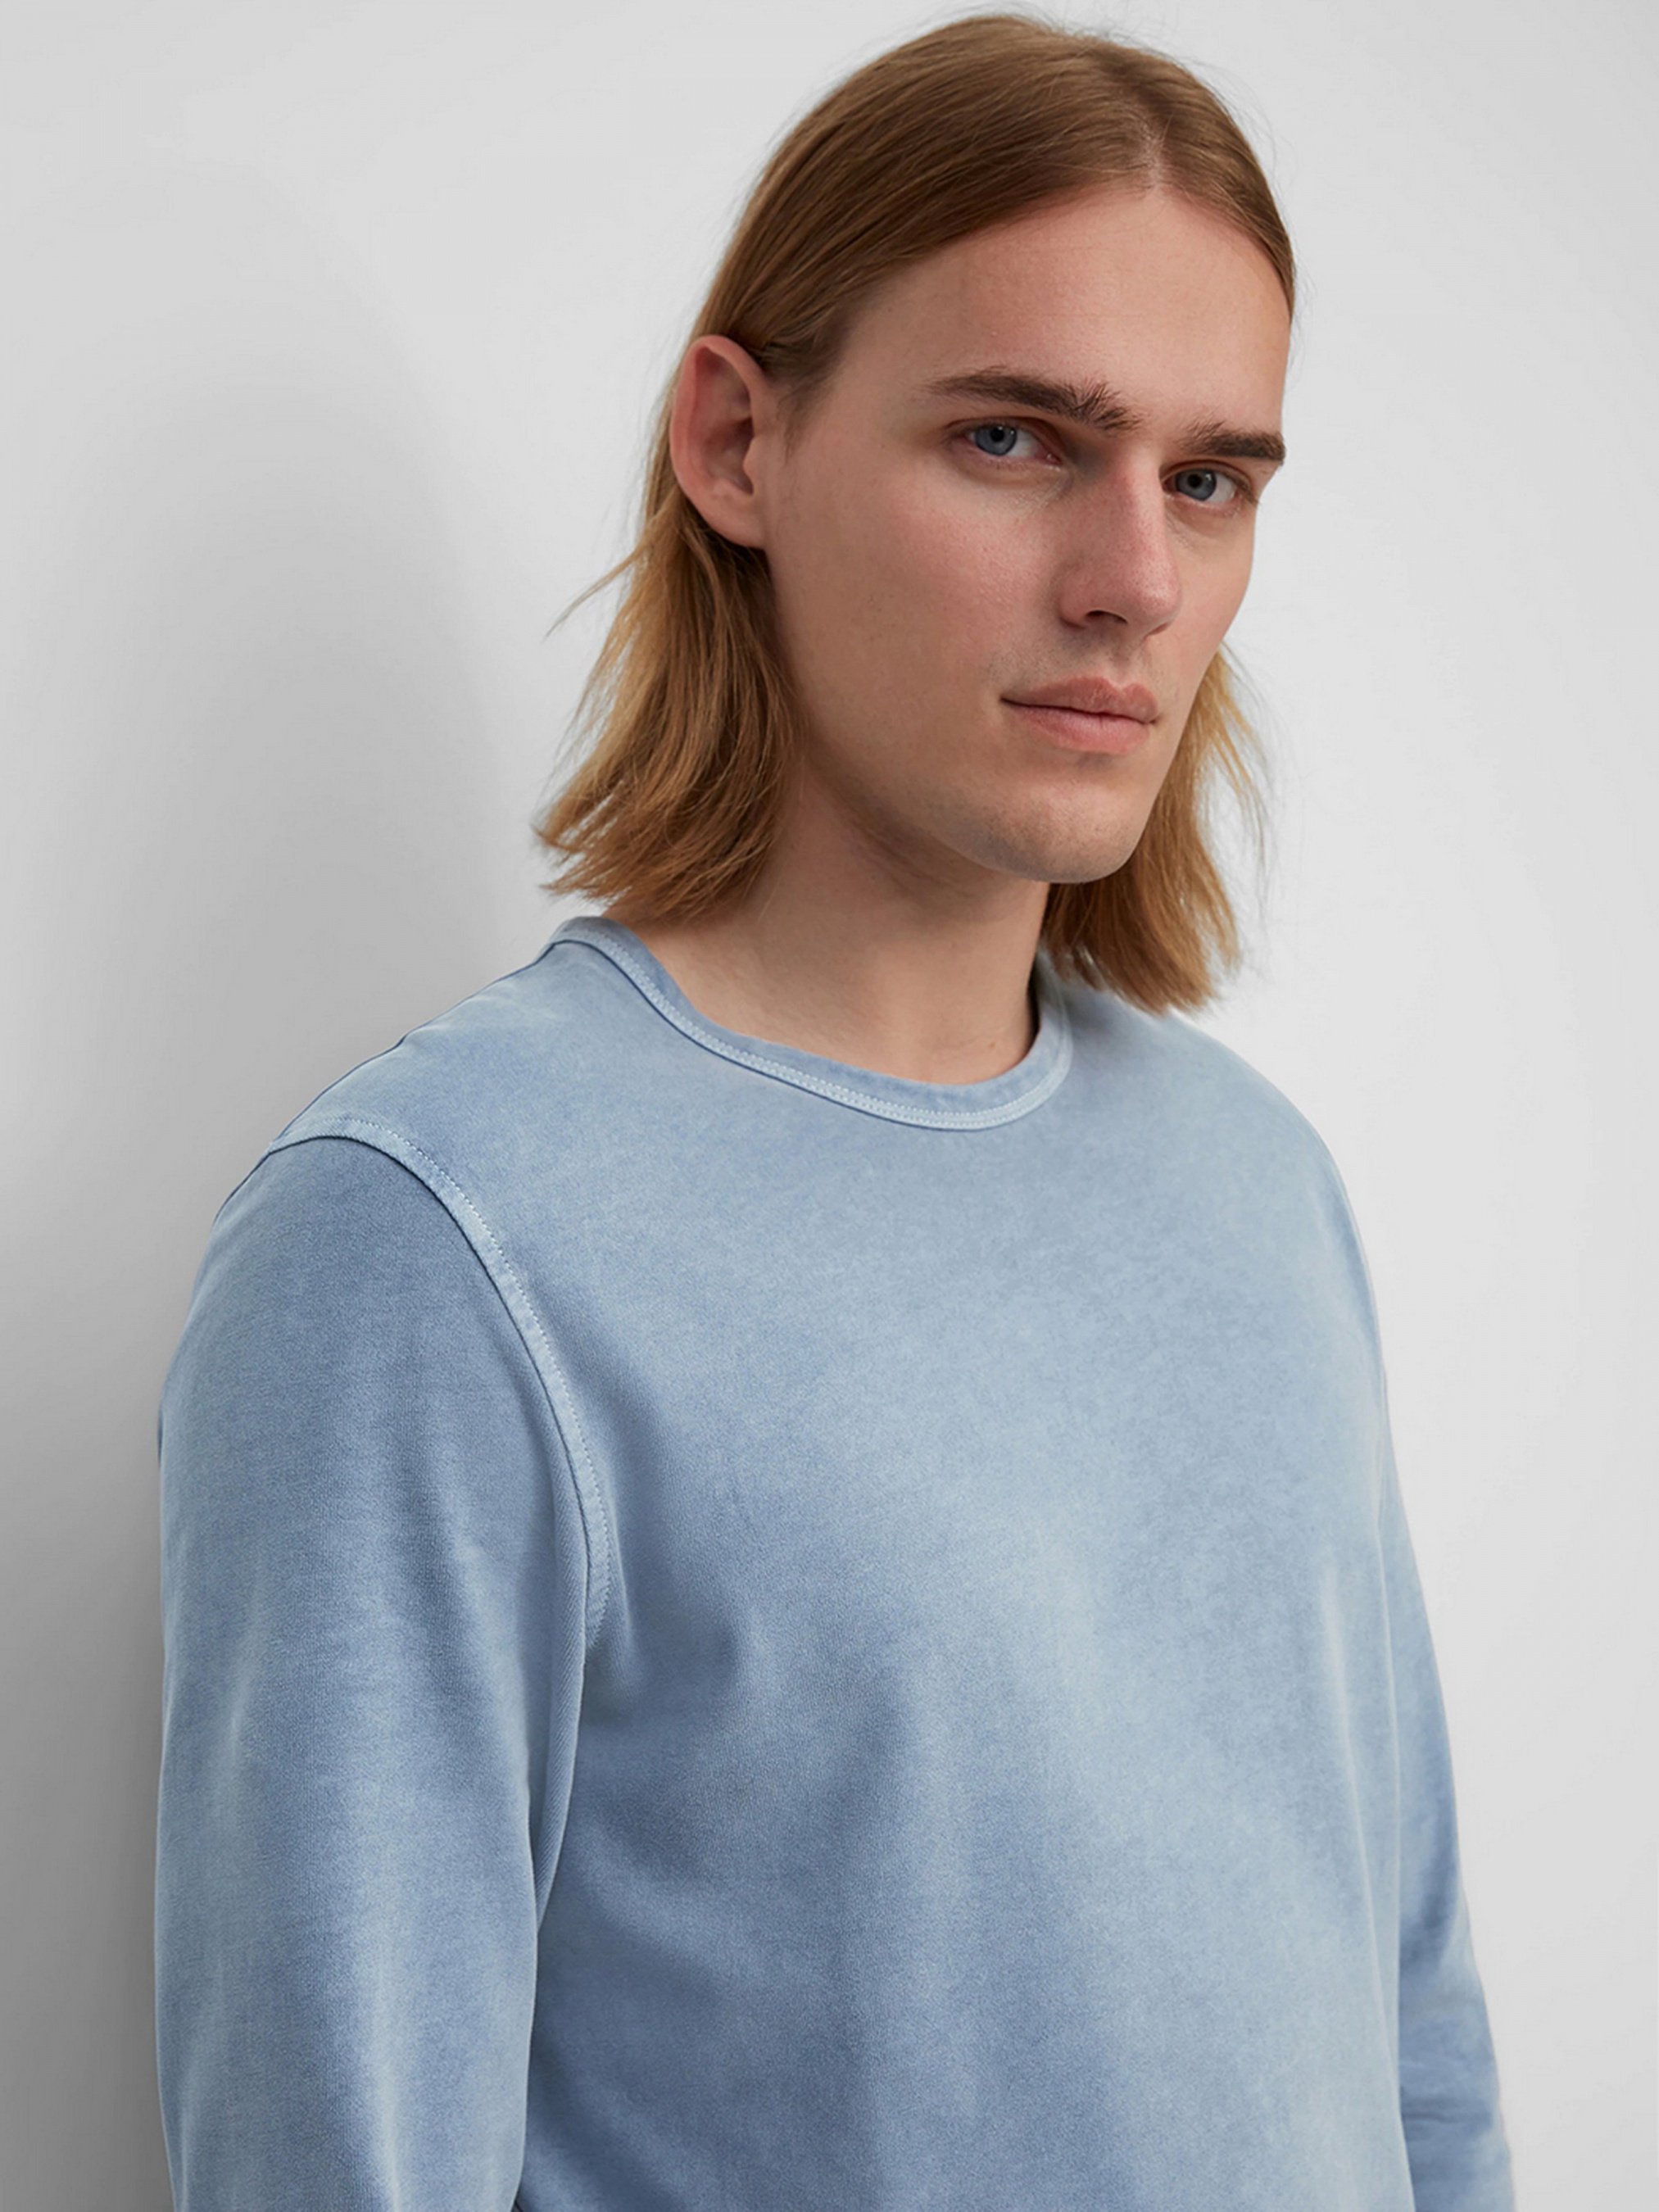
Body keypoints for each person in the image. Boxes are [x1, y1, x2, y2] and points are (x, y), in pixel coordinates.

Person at [153, 14, 1517, 2210]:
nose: (1134, 580)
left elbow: (1413, 2039)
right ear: (737, 443)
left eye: (1208, 479)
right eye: (1013, 438)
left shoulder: (1255, 1185)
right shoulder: (432, 1239)